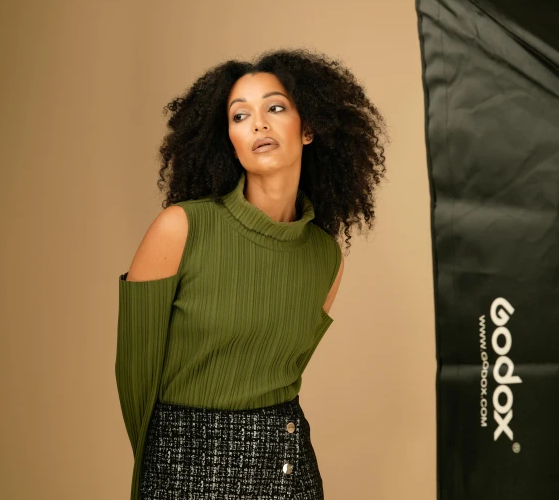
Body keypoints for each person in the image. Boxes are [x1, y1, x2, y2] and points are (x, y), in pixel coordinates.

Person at [115, 48, 388, 500]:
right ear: (229, 140)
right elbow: (135, 381)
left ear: (309, 128)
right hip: (184, 473)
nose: (258, 124)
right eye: (240, 116)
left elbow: (284, 373)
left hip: (288, 472)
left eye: (275, 108)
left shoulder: (325, 257)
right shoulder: (181, 229)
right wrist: (172, 470)